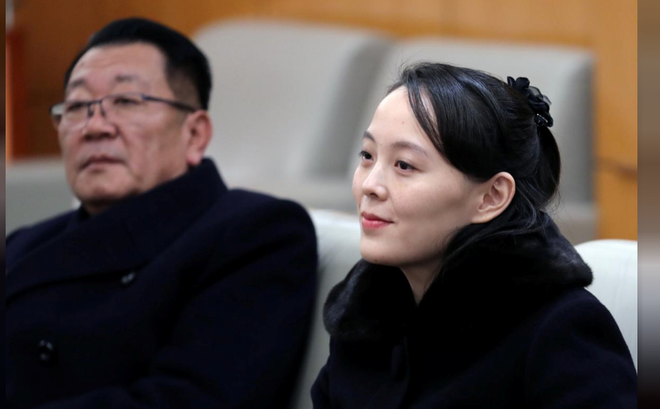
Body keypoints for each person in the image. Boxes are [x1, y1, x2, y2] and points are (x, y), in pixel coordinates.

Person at [6, 18, 317, 409]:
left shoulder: (256, 233)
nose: (94, 127)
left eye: (126, 102)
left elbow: (193, 400)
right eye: (77, 106)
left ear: (194, 134)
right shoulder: (23, 244)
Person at [311, 63, 637, 408]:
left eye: (404, 165)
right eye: (367, 156)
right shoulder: (368, 312)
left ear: (492, 196)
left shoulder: (560, 330)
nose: (369, 185)